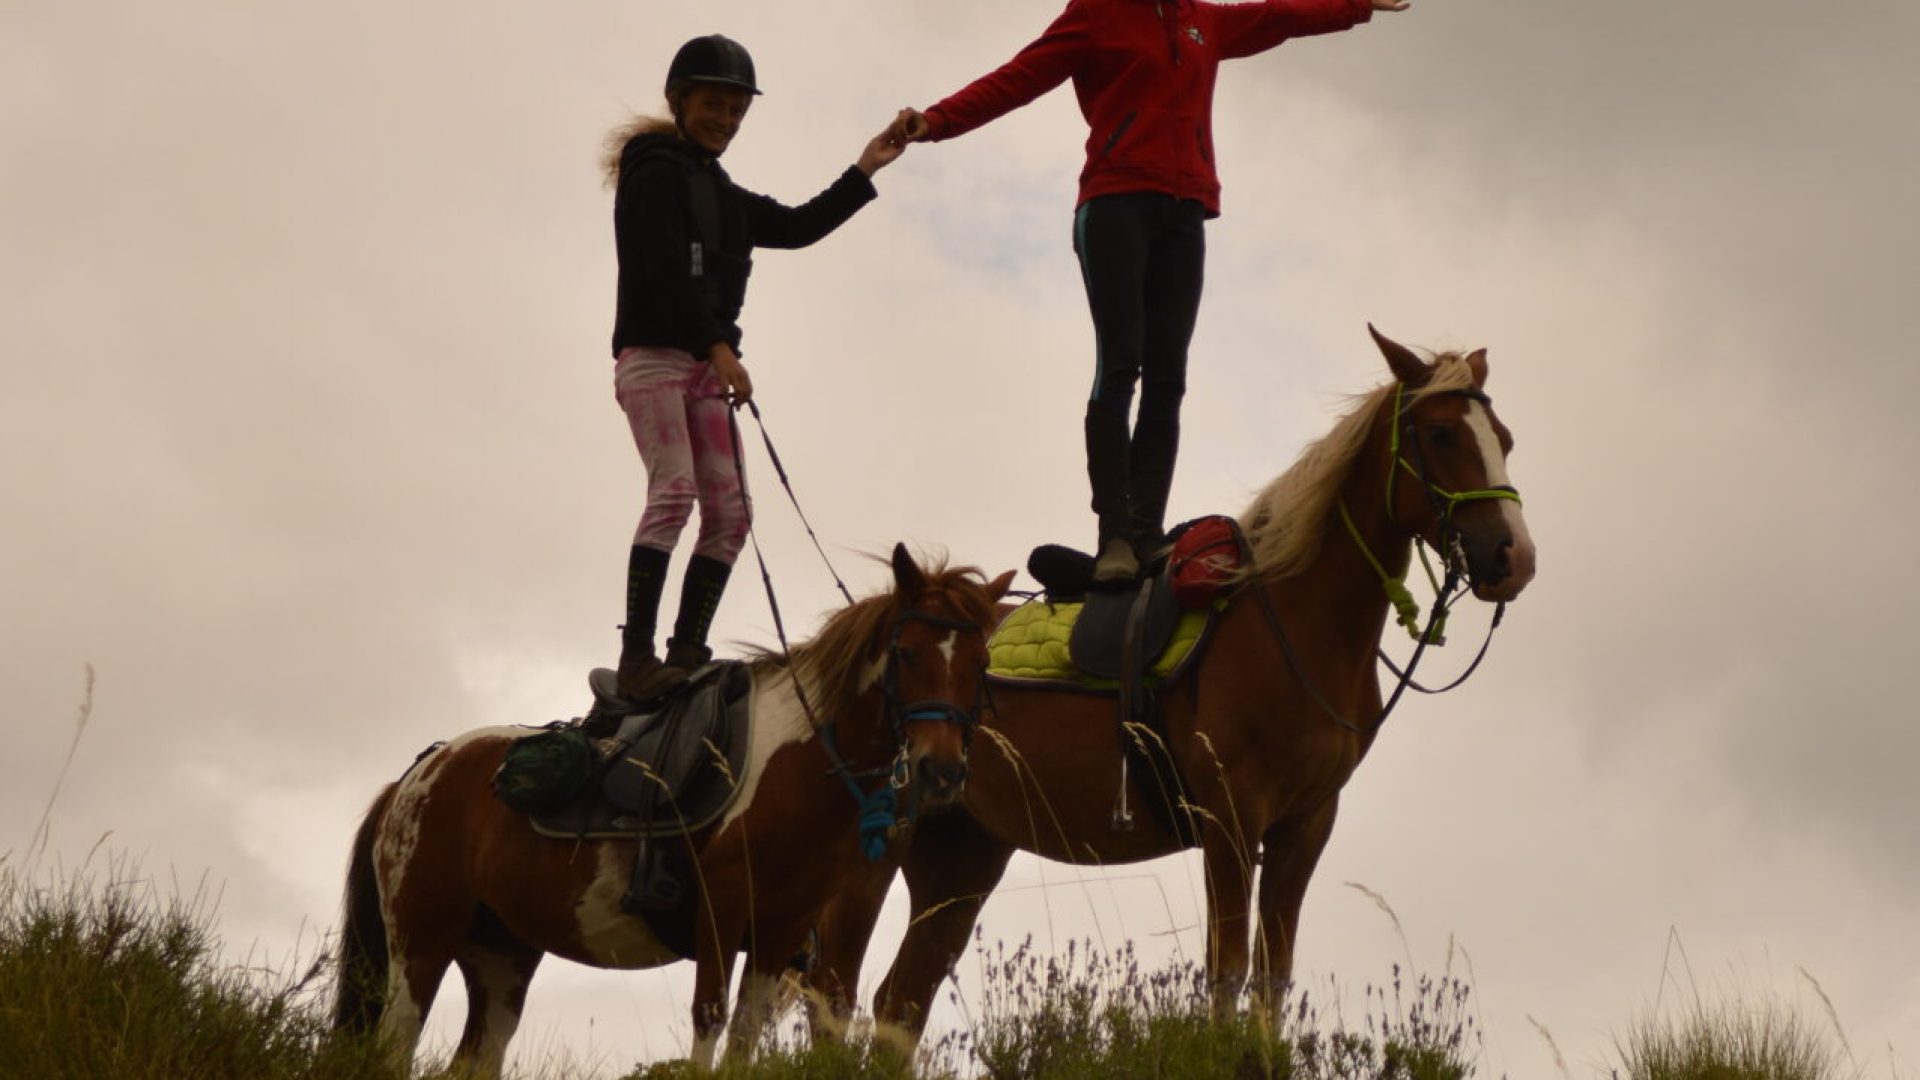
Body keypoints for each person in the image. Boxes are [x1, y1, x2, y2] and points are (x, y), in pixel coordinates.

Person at [891, 0, 1410, 584]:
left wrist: (1356, 6)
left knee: (1170, 377)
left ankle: (1145, 536)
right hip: (1114, 203)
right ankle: (1114, 533)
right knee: (1121, 364)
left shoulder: (1203, 21)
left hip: (1185, 210)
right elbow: (1019, 77)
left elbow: (1279, 16)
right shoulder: (1096, 14)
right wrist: (934, 122)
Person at [605, 34, 907, 699]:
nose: (727, 121)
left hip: (708, 364)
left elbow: (798, 226)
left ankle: (685, 655)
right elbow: (660, 271)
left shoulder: (722, 192)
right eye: (715, 105)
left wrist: (866, 169)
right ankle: (636, 658)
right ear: (681, 101)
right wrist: (719, 346)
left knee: (733, 511)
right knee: (675, 492)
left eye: (738, 111)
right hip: (656, 360)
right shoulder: (652, 175)